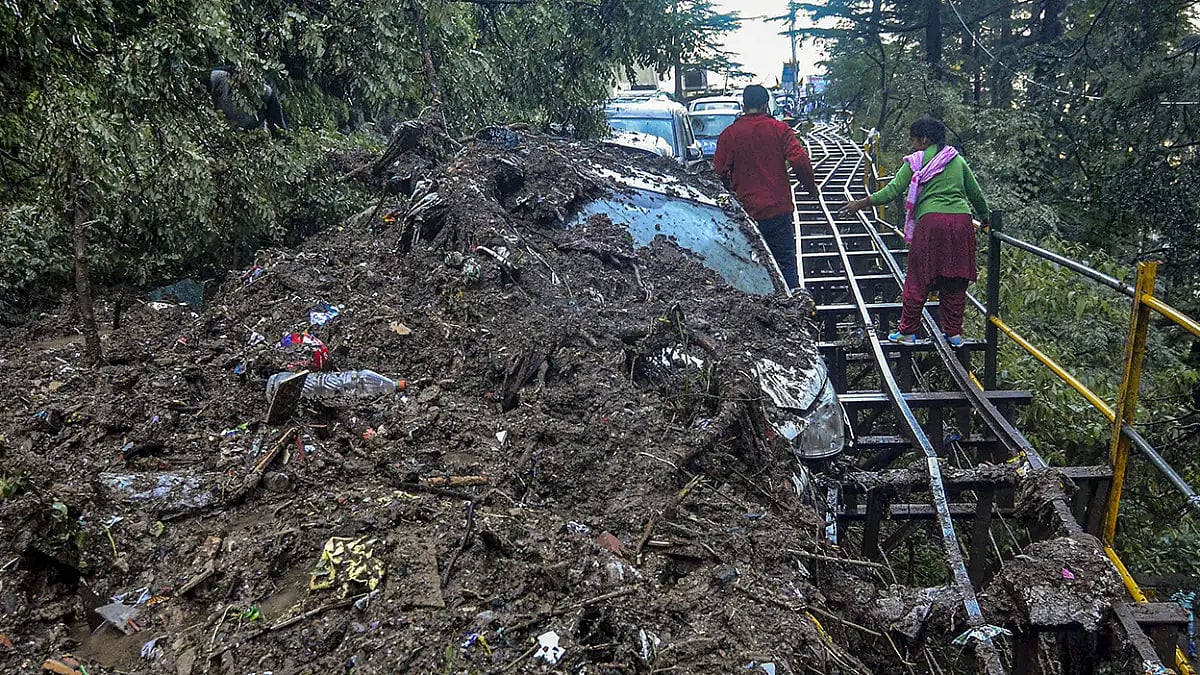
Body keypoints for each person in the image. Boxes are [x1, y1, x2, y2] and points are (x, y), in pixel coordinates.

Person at [841, 115, 989, 346]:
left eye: (913, 140)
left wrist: (860, 203)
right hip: (962, 223)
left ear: (924, 139)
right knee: (955, 279)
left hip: (931, 224)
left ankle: (907, 332)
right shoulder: (957, 160)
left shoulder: (916, 160)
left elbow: (892, 190)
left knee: (918, 278)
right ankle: (954, 334)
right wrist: (986, 219)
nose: (911, 145)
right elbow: (976, 194)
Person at [713, 84, 818, 289]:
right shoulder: (780, 130)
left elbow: (718, 173)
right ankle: (793, 309)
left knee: (748, 265)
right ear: (765, 104)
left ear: (744, 105)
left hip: (746, 214)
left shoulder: (730, 134)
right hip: (778, 211)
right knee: (786, 264)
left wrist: (730, 194)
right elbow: (799, 161)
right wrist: (810, 188)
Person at [203, 64, 287, 136]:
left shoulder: (266, 95)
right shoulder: (217, 78)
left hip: (248, 140)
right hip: (213, 130)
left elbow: (278, 130)